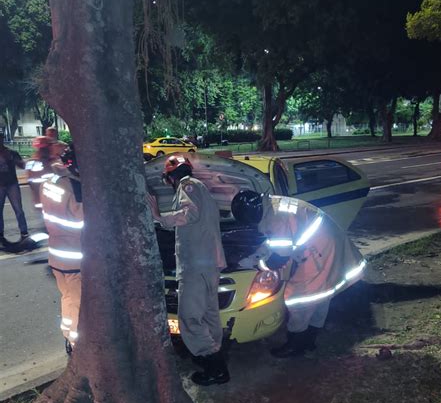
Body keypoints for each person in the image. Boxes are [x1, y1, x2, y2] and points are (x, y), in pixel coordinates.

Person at [231, 190, 366, 357]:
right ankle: (310, 340)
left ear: (253, 215)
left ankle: (296, 344)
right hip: (326, 243)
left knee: (299, 299)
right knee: (321, 294)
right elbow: (274, 242)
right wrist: (255, 255)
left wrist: (255, 266)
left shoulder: (276, 219)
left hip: (318, 251)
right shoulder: (273, 206)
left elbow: (278, 259)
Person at [148, 155, 229, 386]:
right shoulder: (200, 187)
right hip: (208, 263)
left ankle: (215, 367)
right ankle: (215, 357)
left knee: (190, 318)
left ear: (171, 177)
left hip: (195, 265)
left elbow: (188, 213)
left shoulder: (188, 186)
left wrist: (159, 217)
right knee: (209, 314)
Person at [40, 144, 83, 354]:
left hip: (56, 255)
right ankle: (77, 346)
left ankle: (68, 336)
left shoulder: (50, 181)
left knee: (67, 298)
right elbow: (84, 222)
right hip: (74, 258)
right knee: (77, 303)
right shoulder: (74, 187)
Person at [0, 128, 29, 245]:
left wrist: (17, 161)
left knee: (19, 210)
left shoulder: (11, 153)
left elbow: (22, 165)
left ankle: (24, 233)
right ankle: (1, 236)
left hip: (12, 184)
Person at [25, 136, 64, 210]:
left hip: (45, 200)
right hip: (48, 199)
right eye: (50, 145)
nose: (51, 147)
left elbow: (30, 179)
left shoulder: (33, 160)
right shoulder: (51, 161)